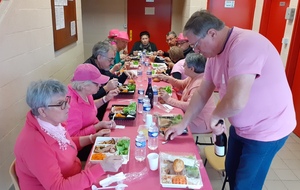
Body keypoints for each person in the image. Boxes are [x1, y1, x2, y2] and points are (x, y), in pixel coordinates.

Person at [164, 10, 296, 190]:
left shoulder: (246, 44)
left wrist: (214, 116)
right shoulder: (213, 55)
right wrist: (183, 124)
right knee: (231, 172)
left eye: (196, 45)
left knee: (245, 185)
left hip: (267, 129)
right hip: (241, 127)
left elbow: (236, 101)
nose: (196, 51)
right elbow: (202, 93)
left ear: (211, 33)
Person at [14, 79, 123, 190]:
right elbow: (58, 187)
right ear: (42, 111)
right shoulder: (34, 145)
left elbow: (67, 142)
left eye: (66, 101)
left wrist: (92, 138)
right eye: (61, 104)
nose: (68, 107)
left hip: (75, 175)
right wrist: (101, 167)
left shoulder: (52, 123)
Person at [66, 64, 119, 160]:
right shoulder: (71, 106)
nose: (100, 85)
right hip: (80, 149)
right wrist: (98, 126)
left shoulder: (85, 92)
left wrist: (105, 98)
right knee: (115, 153)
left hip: (94, 133)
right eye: (97, 83)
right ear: (85, 86)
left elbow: (89, 108)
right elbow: (72, 140)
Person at [155, 53, 215, 134]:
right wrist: (167, 78)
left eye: (185, 65)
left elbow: (188, 106)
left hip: (200, 122)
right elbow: (181, 84)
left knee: (162, 125)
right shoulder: (194, 76)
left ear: (192, 69)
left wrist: (169, 100)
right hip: (192, 117)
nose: (183, 67)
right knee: (159, 118)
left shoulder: (199, 84)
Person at [85, 41, 136, 120]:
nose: (112, 63)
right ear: (99, 57)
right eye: (110, 59)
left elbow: (115, 80)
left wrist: (124, 74)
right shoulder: (88, 70)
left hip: (104, 104)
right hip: (94, 114)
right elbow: (89, 99)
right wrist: (106, 88)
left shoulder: (101, 65)